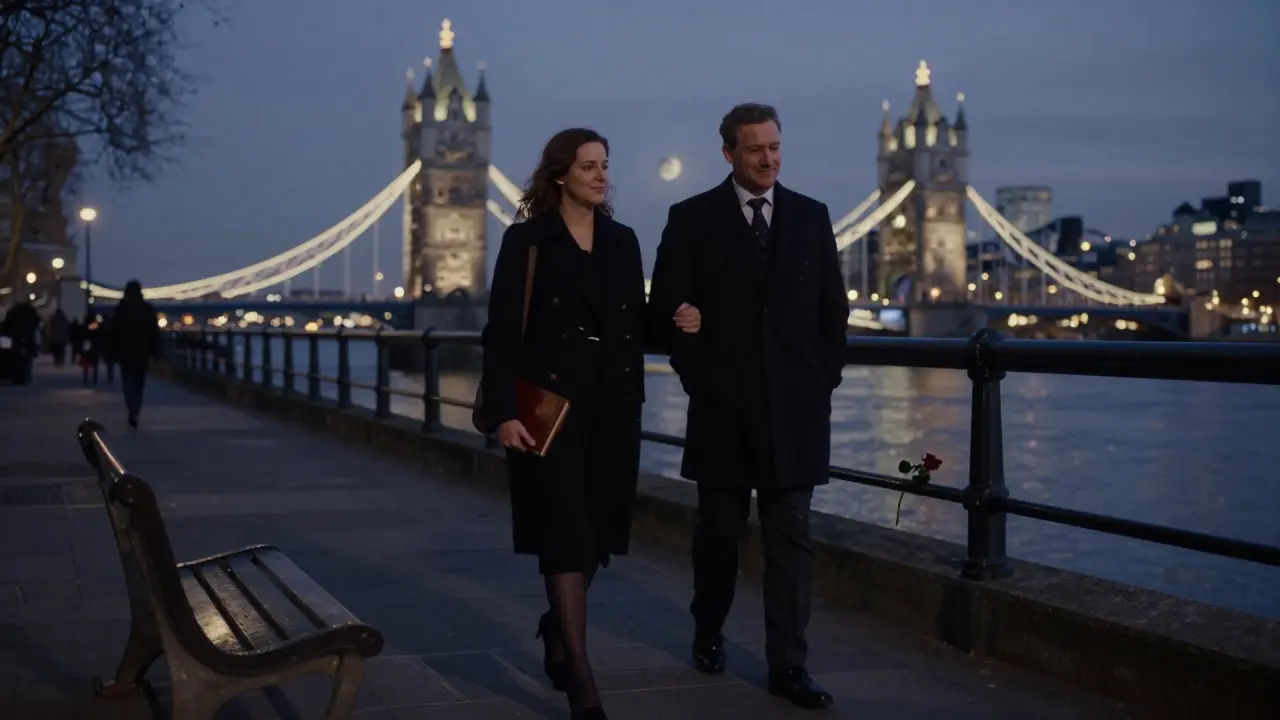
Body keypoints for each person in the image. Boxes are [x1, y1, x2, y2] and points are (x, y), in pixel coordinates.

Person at [480, 128, 701, 720]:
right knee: (564, 535)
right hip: (549, 411)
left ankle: (556, 627)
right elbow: (503, 332)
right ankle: (582, 679)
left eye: (605, 165)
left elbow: (635, 323)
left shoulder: (623, 240)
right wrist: (502, 411)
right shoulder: (527, 241)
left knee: (599, 533)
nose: (602, 176)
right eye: (588, 167)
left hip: (612, 405)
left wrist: (676, 318)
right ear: (560, 175)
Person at [647, 103, 849, 710]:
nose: (769, 159)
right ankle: (708, 631)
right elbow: (665, 314)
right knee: (719, 539)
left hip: (795, 414)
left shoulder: (812, 217)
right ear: (729, 153)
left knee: (792, 543)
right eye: (756, 149)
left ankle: (789, 668)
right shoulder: (691, 218)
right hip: (723, 411)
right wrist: (697, 374)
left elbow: (831, 314)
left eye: (775, 147)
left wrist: (821, 383)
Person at [107, 280, 161, 427]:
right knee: (139, 382)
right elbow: (154, 333)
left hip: (125, 351)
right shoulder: (148, 309)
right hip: (143, 352)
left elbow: (113, 332)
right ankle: (136, 408)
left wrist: (110, 352)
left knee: (128, 381)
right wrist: (156, 353)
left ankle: (131, 407)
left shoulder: (121, 309)